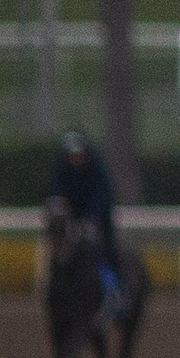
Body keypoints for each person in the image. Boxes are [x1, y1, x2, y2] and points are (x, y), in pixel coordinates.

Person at [45, 129, 123, 304]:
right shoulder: (61, 169)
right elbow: (55, 192)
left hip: (98, 217)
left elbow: (103, 196)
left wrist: (91, 217)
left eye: (78, 154)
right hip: (72, 217)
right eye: (71, 155)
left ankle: (113, 291)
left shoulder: (97, 169)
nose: (75, 158)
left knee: (105, 251)